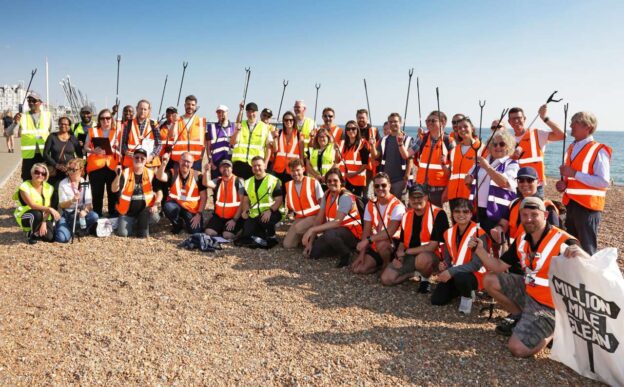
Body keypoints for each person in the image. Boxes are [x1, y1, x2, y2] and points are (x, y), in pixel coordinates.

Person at [473, 197, 585, 357]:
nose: (529, 219)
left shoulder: (563, 240)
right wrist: (480, 250)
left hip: (550, 305)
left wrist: (581, 254)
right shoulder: (522, 239)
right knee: (489, 280)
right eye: (524, 215)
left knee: (517, 348)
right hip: (530, 292)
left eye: (534, 214)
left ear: (545, 215)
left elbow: (588, 269)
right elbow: (498, 267)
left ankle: (556, 329)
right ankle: (520, 316)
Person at [556, 111, 611, 255]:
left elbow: (603, 182)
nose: (571, 125)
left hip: (588, 207)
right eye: (572, 122)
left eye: (576, 122)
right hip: (570, 204)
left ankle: (590, 277)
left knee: (587, 249)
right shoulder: (571, 148)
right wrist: (563, 185)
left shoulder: (598, 150)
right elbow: (572, 179)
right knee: (569, 246)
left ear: (588, 127)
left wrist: (574, 174)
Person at [380, 185, 449, 291]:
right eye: (413, 197)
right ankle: (414, 273)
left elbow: (431, 247)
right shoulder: (407, 215)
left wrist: (407, 252)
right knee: (386, 279)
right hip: (410, 256)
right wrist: (400, 256)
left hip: (432, 256)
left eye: (419, 197)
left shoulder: (438, 214)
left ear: (426, 197)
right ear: (409, 199)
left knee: (422, 259)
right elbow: (402, 241)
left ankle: (425, 279)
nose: (416, 200)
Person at [431, 198, 488, 314]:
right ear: (452, 213)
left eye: (465, 212)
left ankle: (467, 297)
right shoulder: (448, 233)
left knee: (462, 278)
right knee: (437, 300)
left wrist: (451, 272)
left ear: (471, 214)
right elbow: (448, 258)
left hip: (475, 274)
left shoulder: (479, 233)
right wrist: (443, 265)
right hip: (455, 272)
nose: (461, 214)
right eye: (457, 211)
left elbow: (476, 265)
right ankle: (460, 289)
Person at [301, 168, 362, 267]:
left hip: (353, 234)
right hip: (336, 232)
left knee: (330, 234)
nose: (332, 183)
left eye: (335, 180)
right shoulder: (327, 194)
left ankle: (346, 253)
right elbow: (319, 219)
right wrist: (310, 242)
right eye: (329, 181)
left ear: (341, 182)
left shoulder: (345, 197)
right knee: (313, 253)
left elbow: (337, 222)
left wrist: (311, 230)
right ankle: (337, 247)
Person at [465, 129, 519, 233]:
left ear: (509, 147)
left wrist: (487, 167)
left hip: (498, 211)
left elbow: (505, 183)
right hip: (476, 209)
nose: (497, 147)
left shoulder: (511, 164)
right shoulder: (480, 162)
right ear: (489, 146)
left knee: (495, 242)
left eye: (502, 144)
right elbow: (470, 185)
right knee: (477, 239)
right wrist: (468, 181)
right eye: (494, 144)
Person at [490, 166, 560, 246]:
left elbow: (554, 235)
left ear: (539, 182)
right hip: (514, 253)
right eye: (521, 180)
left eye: (530, 180)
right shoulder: (513, 203)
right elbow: (503, 224)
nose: (525, 183)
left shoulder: (547, 206)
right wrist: (498, 229)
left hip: (536, 254)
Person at [352, 173, 406, 274]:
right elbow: (366, 231)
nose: (380, 188)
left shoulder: (397, 206)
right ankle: (380, 265)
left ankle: (386, 265)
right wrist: (361, 254)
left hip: (393, 244)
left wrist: (368, 241)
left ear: (389, 186)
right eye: (377, 186)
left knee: (381, 243)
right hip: (376, 242)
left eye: (383, 185)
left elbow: (390, 232)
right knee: (358, 269)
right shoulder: (371, 204)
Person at [508, 105, 564, 195]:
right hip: (516, 185)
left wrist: (544, 118)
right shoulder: (508, 140)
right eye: (513, 119)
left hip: (536, 185)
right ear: (509, 122)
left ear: (524, 119)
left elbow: (561, 135)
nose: (516, 121)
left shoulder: (537, 134)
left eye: (519, 118)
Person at [112, 148, 162, 238]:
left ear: (146, 161)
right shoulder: (125, 173)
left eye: (142, 158)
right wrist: (117, 176)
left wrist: (156, 204)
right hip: (127, 211)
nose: (139, 160)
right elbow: (114, 189)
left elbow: (159, 192)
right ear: (133, 158)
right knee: (123, 234)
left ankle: (139, 223)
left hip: (145, 211)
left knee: (155, 217)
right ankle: (135, 223)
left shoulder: (151, 173)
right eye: (137, 157)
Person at [236, 156, 282, 248]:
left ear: (264, 166)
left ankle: (271, 235)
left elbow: (279, 200)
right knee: (247, 234)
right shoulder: (248, 182)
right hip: (254, 213)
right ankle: (260, 234)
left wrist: (270, 211)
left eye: (259, 165)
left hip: (271, 212)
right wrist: (245, 211)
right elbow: (245, 201)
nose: (257, 168)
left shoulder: (273, 180)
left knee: (264, 221)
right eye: (254, 166)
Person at [156, 151, 207, 234]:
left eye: (188, 162)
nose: (185, 164)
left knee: (195, 231)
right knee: (168, 207)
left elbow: (204, 197)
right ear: (179, 160)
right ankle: (178, 224)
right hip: (176, 205)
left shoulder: (198, 176)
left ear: (192, 164)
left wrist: (199, 214)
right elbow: (159, 176)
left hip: (192, 209)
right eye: (184, 160)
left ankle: (186, 220)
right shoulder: (173, 173)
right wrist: (164, 164)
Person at [84, 108, 121, 217]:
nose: (105, 121)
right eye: (102, 118)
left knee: (113, 192)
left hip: (112, 166)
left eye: (108, 118)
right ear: (99, 120)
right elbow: (85, 147)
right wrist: (92, 150)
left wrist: (115, 148)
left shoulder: (118, 131)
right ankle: (97, 215)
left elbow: (122, 147)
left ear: (111, 119)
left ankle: (113, 214)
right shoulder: (92, 131)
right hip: (96, 167)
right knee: (97, 194)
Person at [411, 111, 453, 207]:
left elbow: (453, 171)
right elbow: (407, 154)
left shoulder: (449, 141)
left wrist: (447, 191)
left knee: (436, 217)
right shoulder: (423, 138)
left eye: (433, 121)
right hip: (421, 187)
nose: (429, 123)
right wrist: (400, 143)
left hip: (438, 190)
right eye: (427, 121)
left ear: (443, 122)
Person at [9, 92, 53, 180]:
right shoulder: (22, 116)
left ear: (40, 103)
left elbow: (52, 134)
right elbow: (8, 133)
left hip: (44, 154)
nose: (31, 102)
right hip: (29, 156)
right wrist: (15, 122)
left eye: (34, 100)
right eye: (29, 100)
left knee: (44, 179)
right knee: (27, 179)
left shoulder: (47, 115)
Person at [13, 163, 60, 244]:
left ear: (46, 176)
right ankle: (31, 234)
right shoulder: (24, 186)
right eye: (37, 172)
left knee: (49, 238)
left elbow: (48, 206)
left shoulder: (49, 188)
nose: (40, 175)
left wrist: (44, 222)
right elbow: (32, 205)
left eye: (43, 173)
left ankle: (37, 231)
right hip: (26, 215)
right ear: (32, 173)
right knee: (37, 214)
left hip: (43, 216)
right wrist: (49, 209)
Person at [54, 158, 99, 242]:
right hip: (67, 214)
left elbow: (89, 204)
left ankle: (77, 228)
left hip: (80, 214)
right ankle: (73, 229)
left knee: (94, 216)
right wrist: (72, 200)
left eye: (74, 170)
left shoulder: (85, 183)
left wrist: (85, 211)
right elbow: (62, 205)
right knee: (61, 239)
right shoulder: (63, 183)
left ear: (81, 170)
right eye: (69, 169)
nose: (70, 172)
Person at [283, 159, 324, 249]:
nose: (295, 173)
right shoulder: (288, 185)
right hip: (300, 218)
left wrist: (320, 220)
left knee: (299, 228)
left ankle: (313, 238)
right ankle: (306, 237)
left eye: (298, 170)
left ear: (303, 169)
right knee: (288, 245)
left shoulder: (313, 182)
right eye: (293, 171)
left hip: (315, 216)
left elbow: (323, 204)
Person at [43, 116, 83, 208]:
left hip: (70, 172)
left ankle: (69, 212)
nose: (63, 125)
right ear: (58, 124)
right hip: (55, 170)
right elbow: (45, 154)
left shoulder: (73, 139)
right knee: (55, 192)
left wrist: (73, 166)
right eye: (61, 123)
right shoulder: (52, 137)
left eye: (66, 124)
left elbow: (79, 155)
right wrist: (56, 165)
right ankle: (53, 214)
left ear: (69, 126)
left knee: (70, 191)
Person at [231, 102, 273, 180]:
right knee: (238, 189)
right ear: (246, 113)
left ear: (257, 113)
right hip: (239, 164)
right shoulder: (240, 125)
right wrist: (237, 131)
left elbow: (268, 148)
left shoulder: (265, 127)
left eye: (253, 112)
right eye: (248, 112)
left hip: (255, 165)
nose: (251, 114)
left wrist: (265, 163)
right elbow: (232, 142)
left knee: (251, 190)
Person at [204, 159, 244, 240]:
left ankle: (241, 228)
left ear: (232, 169)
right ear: (220, 169)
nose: (225, 168)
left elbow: (242, 203)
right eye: (223, 167)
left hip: (233, 218)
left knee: (227, 236)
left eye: (228, 166)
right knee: (209, 232)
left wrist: (234, 220)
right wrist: (206, 171)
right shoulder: (218, 181)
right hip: (219, 217)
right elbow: (206, 183)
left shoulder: (238, 181)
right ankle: (221, 228)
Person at [376, 113, 413, 199]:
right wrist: (372, 145)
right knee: (385, 202)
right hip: (385, 179)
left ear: (400, 122)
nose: (393, 123)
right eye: (390, 122)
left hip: (400, 179)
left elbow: (410, 159)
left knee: (399, 204)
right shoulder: (384, 139)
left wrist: (406, 177)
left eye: (395, 121)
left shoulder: (407, 139)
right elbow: (377, 155)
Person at [447, 117, 481, 203]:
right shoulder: (454, 150)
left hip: (471, 195)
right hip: (453, 195)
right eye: (459, 128)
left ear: (472, 128)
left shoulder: (481, 148)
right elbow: (452, 173)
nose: (462, 129)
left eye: (465, 126)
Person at [120, 100, 161, 168]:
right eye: (141, 109)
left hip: (149, 163)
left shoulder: (154, 124)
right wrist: (126, 151)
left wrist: (152, 155)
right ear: (136, 109)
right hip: (131, 161)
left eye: (145, 109)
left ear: (149, 111)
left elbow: (159, 144)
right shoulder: (128, 124)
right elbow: (123, 143)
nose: (142, 111)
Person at [171, 95, 206, 170]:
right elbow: (171, 136)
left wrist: (201, 158)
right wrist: (173, 122)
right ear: (184, 105)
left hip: (195, 160)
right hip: (179, 159)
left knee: (195, 181)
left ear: (196, 106)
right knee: (177, 181)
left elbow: (204, 142)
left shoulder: (201, 121)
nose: (190, 106)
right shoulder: (177, 120)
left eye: (193, 105)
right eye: (188, 104)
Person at [338, 120, 369, 198]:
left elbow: (365, 164)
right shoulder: (345, 145)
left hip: (358, 181)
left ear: (357, 130)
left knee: (356, 202)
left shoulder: (363, 144)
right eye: (348, 129)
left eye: (353, 128)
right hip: (346, 180)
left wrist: (354, 174)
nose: (350, 131)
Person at [271, 111, 303, 185]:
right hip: (278, 169)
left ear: (294, 121)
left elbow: (301, 155)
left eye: (291, 120)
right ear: (283, 121)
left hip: (293, 170)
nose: (288, 122)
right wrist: (274, 138)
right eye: (286, 120)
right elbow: (275, 150)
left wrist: (301, 169)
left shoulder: (299, 134)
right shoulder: (278, 133)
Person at [206, 105, 235, 178]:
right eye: (218, 112)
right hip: (216, 163)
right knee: (216, 186)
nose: (220, 114)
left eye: (223, 112)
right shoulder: (211, 127)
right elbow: (208, 147)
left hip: (230, 162)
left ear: (227, 113)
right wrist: (211, 163)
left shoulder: (233, 126)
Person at [356, 108, 379, 186]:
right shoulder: (353, 130)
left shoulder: (374, 130)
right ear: (356, 118)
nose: (361, 119)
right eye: (359, 118)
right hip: (357, 166)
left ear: (367, 118)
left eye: (363, 118)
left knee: (368, 192)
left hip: (370, 167)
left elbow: (379, 147)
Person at [158, 106, 179, 171]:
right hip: (161, 156)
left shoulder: (179, 125)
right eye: (168, 112)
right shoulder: (160, 125)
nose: (170, 114)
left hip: (174, 157)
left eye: (172, 113)